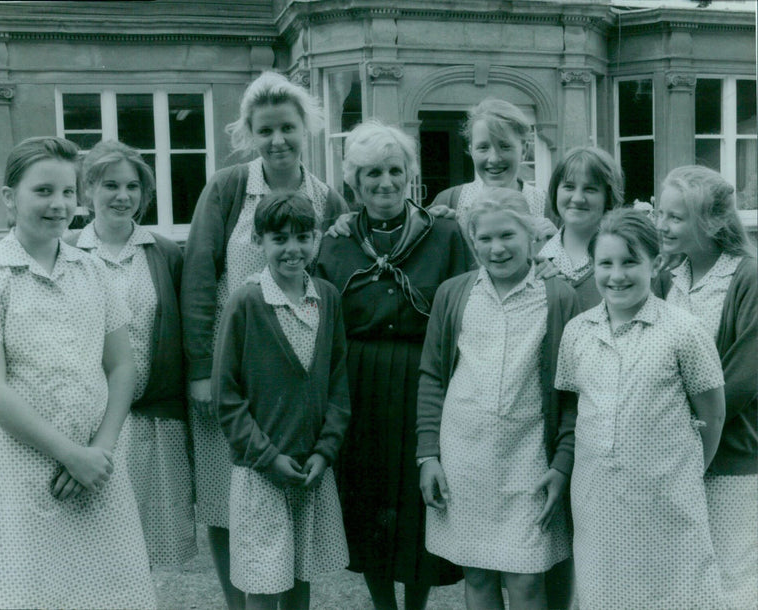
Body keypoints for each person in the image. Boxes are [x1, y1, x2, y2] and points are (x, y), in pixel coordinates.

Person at [0, 136, 156, 609]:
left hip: (96, 463)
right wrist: (68, 454)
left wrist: (99, 451)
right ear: (10, 198)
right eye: (43, 191)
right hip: (21, 468)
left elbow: (122, 367)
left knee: (107, 593)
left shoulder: (94, 272)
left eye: (68, 192)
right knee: (29, 593)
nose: (59, 204)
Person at [180, 70, 347, 608]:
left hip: (293, 386)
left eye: (287, 128)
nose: (277, 140)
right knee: (231, 499)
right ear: (249, 133)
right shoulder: (228, 188)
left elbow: (334, 283)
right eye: (265, 129)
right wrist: (201, 371)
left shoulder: (326, 200)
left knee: (290, 494)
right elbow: (200, 276)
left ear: (306, 130)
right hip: (230, 381)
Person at [316, 120, 472, 610]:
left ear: (410, 176)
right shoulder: (336, 242)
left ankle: (417, 606)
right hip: (359, 385)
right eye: (371, 175)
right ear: (354, 184)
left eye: (394, 171)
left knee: (416, 502)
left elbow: (467, 308)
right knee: (367, 502)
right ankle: (383, 605)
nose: (385, 183)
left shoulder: (443, 232)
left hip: (423, 380)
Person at [555, 208, 726, 609]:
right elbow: (572, 407)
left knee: (672, 595)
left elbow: (713, 415)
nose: (617, 275)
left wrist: (685, 473)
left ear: (656, 263)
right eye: (606, 263)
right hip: (597, 502)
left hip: (667, 501)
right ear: (592, 266)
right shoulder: (578, 332)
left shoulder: (683, 330)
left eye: (630, 262)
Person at [417, 188, 578, 610]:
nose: (496, 247)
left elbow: (574, 393)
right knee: (479, 575)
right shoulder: (454, 294)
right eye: (484, 238)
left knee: (526, 581)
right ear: (472, 241)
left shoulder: (558, 297)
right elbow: (433, 377)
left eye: (508, 235)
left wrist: (563, 464)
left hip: (529, 461)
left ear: (532, 238)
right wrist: (428, 455)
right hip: (463, 458)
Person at [212, 191, 350, 610]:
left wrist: (325, 452)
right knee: (264, 581)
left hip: (309, 468)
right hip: (262, 471)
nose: (293, 249)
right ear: (259, 242)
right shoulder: (246, 302)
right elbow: (226, 396)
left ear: (317, 239)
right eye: (279, 239)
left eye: (303, 237)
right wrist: (267, 457)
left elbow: (339, 383)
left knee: (298, 576)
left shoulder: (326, 297)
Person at [67, 139, 197, 567]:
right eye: (110, 185)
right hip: (87, 423)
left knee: (144, 551)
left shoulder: (164, 253)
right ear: (88, 191)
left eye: (132, 187)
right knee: (88, 543)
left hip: (152, 424)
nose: (123, 196)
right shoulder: (67, 250)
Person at [654, 165, 757, 609]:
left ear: (711, 223)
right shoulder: (667, 277)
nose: (662, 224)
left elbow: (742, 378)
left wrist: (686, 431)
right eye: (661, 212)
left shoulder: (747, 277)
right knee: (685, 579)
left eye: (676, 217)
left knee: (734, 581)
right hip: (672, 457)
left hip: (733, 458)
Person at [429, 97, 558, 233]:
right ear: (471, 150)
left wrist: (556, 243)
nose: (494, 159)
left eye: (505, 146)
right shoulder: (449, 201)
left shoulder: (548, 206)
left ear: (524, 150)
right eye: (483, 147)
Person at [538, 146, 624, 311]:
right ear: (555, 191)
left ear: (608, 197)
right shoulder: (537, 257)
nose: (577, 199)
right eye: (569, 187)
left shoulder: (623, 257)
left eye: (590, 189)